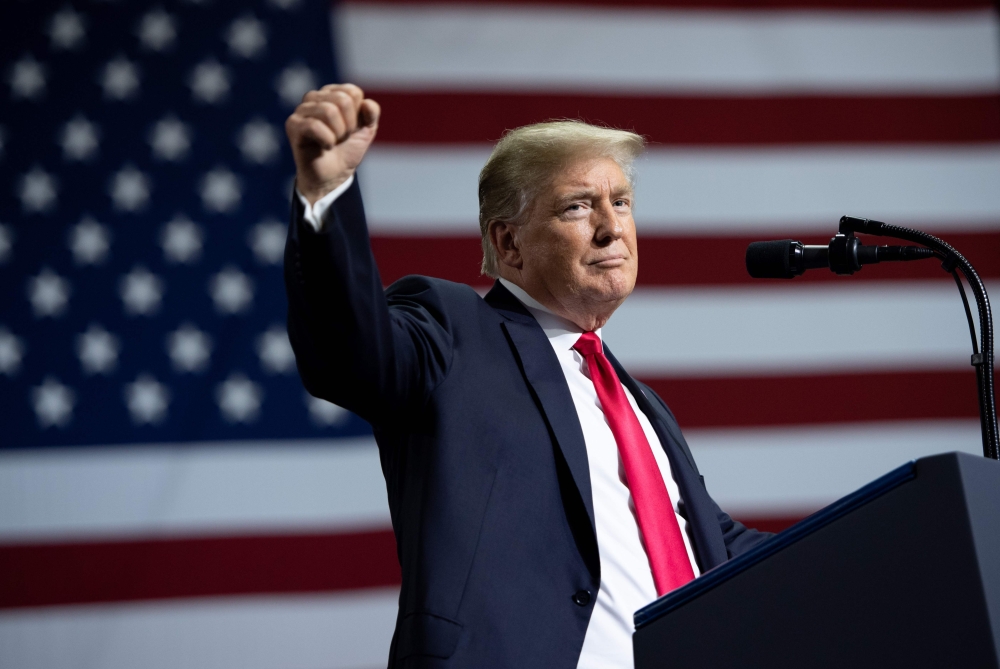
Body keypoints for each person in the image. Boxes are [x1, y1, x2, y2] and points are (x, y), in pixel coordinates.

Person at [284, 83, 771, 669]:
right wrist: (325, 193)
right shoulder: (455, 329)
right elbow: (350, 352)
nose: (611, 227)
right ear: (508, 243)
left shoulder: (639, 405)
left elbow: (716, 548)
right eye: (577, 206)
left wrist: (888, 539)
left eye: (621, 202)